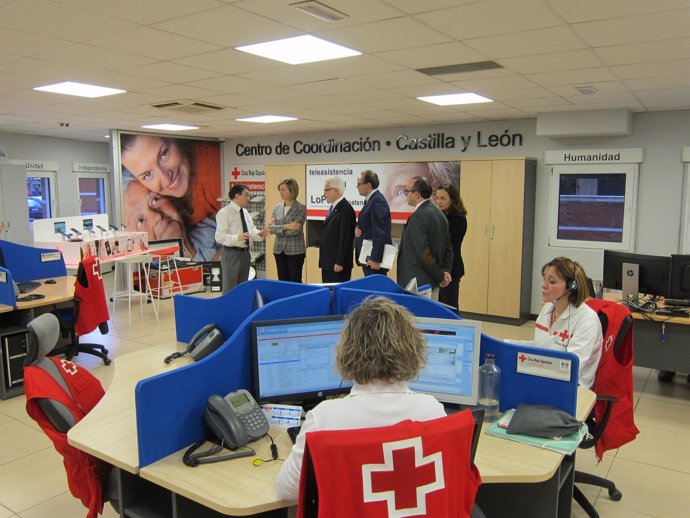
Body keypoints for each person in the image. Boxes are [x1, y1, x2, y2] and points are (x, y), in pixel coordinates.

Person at [275, 296, 447, 500]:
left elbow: (288, 490)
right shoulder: (432, 411)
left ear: (347, 351)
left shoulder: (326, 418)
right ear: (413, 348)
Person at [507, 257, 603, 388]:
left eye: (552, 281)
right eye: (544, 278)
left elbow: (570, 368)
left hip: (572, 388)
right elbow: (539, 346)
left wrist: (530, 364)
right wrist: (504, 344)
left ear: (571, 287)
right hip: (544, 378)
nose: (544, 285)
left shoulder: (587, 320)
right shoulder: (548, 309)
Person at [120, 134, 221, 227]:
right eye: (148, 175)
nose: (166, 179)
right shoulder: (160, 205)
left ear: (176, 140)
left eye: (164, 154)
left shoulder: (215, 167)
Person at [123, 180, 219, 262]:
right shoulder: (152, 278)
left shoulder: (217, 226)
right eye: (140, 221)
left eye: (154, 200)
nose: (157, 216)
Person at [396, 176, 453, 300]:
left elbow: (424, 254)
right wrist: (445, 272)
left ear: (416, 194)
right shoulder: (440, 214)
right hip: (432, 283)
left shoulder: (419, 217)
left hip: (417, 285)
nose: (405, 195)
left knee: (416, 318)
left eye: (407, 191)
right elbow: (448, 250)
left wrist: (441, 276)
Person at [214, 184, 269, 293]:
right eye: (246, 195)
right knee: (230, 288)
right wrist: (237, 237)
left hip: (245, 254)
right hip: (231, 254)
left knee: (243, 287)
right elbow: (219, 237)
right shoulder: (224, 213)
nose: (249, 198)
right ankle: (228, 310)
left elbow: (251, 230)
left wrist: (260, 233)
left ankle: (240, 309)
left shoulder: (245, 212)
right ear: (237, 196)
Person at [434, 183, 467, 310]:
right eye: (437, 198)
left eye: (443, 198)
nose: (439, 202)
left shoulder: (458, 218)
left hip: (451, 267)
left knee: (450, 306)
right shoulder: (441, 215)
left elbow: (446, 243)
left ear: (452, 199)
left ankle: (454, 329)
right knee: (440, 305)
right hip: (439, 267)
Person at [265, 178, 306, 282]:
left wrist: (277, 226)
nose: (281, 192)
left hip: (295, 251)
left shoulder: (301, 208)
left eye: (284, 190)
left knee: (295, 280)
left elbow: (295, 231)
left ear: (292, 191)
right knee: (282, 280)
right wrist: (287, 226)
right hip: (279, 250)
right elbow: (270, 229)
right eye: (280, 190)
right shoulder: (277, 207)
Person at [354, 170, 392, 276]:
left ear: (369, 185)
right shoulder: (371, 200)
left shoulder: (377, 201)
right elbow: (370, 224)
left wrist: (376, 258)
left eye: (359, 184)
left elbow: (380, 232)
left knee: (376, 290)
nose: (357, 187)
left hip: (373, 259)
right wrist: (358, 228)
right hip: (367, 255)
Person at [318, 177, 356, 283]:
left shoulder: (346, 210)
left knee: (336, 294)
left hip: (337, 264)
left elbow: (345, 238)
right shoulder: (333, 207)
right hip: (328, 262)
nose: (324, 194)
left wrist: (340, 261)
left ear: (337, 191)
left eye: (326, 190)